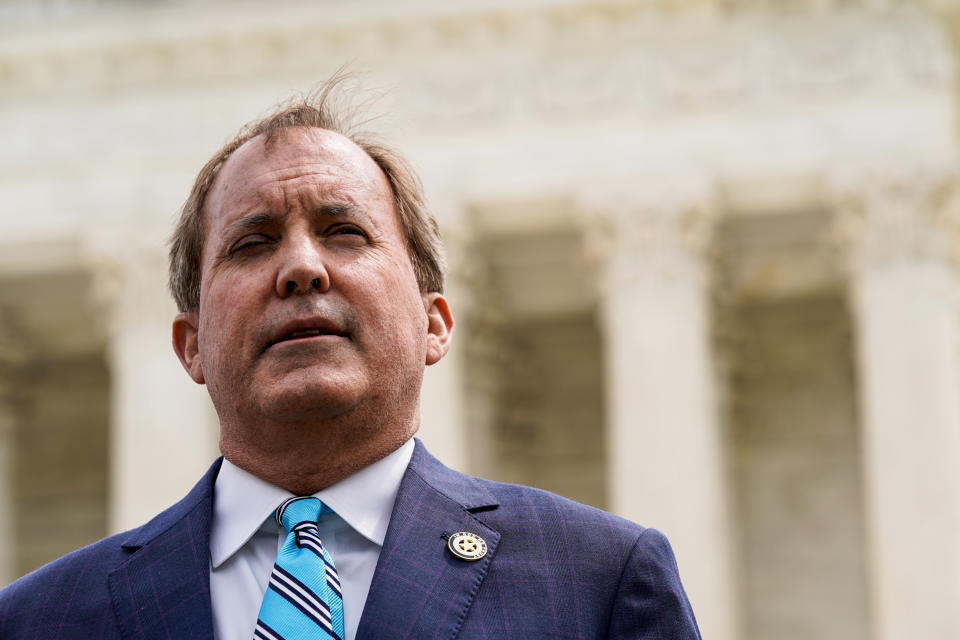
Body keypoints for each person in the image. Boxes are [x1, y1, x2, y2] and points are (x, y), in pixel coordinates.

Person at [0, 77, 701, 639]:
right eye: (252, 243)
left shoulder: (598, 580)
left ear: (435, 322)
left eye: (344, 232)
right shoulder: (38, 621)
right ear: (191, 347)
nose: (301, 268)